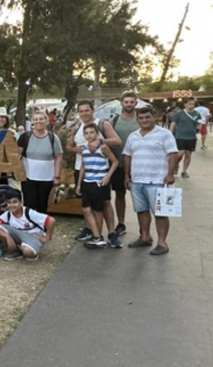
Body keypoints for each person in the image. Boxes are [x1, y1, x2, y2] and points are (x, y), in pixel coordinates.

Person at [123, 106, 179, 256]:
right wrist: (127, 176)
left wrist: (170, 174)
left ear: (154, 117)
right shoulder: (132, 136)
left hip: (157, 180)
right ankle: (145, 237)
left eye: (147, 117)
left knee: (160, 213)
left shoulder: (164, 134)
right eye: (141, 118)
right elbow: (127, 156)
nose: (144, 120)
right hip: (137, 180)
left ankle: (162, 242)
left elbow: (173, 154)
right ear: (137, 119)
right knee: (141, 210)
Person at [66, 100, 120, 242]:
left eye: (86, 110)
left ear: (92, 110)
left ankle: (111, 232)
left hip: (100, 172)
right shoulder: (77, 127)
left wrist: (100, 142)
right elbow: (69, 146)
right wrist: (74, 149)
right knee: (87, 204)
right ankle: (91, 230)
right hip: (82, 169)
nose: (84, 113)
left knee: (106, 202)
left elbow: (117, 141)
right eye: (81, 111)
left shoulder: (102, 124)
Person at [76, 123, 120, 249]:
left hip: (99, 182)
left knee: (98, 210)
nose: (89, 135)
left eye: (92, 132)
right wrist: (79, 183)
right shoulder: (83, 148)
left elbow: (115, 161)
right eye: (86, 133)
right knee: (86, 209)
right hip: (87, 181)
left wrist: (107, 176)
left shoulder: (103, 147)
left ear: (97, 134)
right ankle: (96, 235)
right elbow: (83, 166)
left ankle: (98, 236)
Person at [0, 189, 55, 261]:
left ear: (21, 202)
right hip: (20, 235)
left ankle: (29, 250)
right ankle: (16, 250)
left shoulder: (28, 212)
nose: (12, 205)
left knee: (27, 253)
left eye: (15, 202)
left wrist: (48, 237)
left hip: (34, 236)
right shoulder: (8, 214)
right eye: (9, 202)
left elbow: (51, 220)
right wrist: (7, 237)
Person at [17, 111, 63, 214]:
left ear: (46, 121)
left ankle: (41, 227)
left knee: (42, 204)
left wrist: (57, 176)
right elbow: (16, 155)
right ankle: (28, 226)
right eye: (36, 119)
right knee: (29, 204)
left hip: (47, 178)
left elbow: (58, 157)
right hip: (28, 177)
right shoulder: (25, 137)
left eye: (41, 119)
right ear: (32, 121)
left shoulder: (53, 138)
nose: (39, 121)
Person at [110, 92, 140, 237]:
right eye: (126, 102)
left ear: (136, 103)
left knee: (140, 196)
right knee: (119, 194)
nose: (129, 104)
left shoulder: (141, 120)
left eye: (131, 102)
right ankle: (121, 223)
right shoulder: (114, 121)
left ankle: (143, 229)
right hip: (118, 164)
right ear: (121, 103)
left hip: (138, 165)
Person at [170, 98, 203, 178]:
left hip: (191, 137)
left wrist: (198, 128)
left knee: (188, 154)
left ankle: (184, 171)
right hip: (180, 136)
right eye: (190, 104)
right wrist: (170, 134)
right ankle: (175, 165)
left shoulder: (197, 114)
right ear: (185, 104)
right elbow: (173, 124)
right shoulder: (179, 114)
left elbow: (199, 123)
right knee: (180, 153)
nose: (191, 106)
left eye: (193, 104)